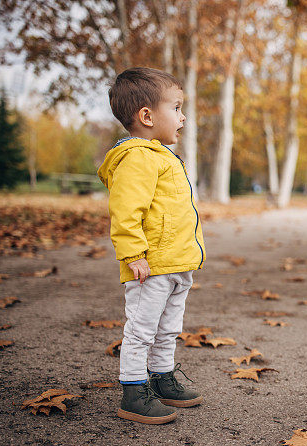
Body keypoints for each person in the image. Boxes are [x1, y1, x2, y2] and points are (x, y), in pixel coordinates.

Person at [97, 67, 206, 424]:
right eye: (176, 108)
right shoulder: (138, 157)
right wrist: (133, 255)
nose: (183, 117)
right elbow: (127, 210)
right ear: (146, 116)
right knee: (142, 329)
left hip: (175, 264)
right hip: (150, 266)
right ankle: (133, 391)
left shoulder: (161, 156)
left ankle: (162, 379)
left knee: (168, 328)